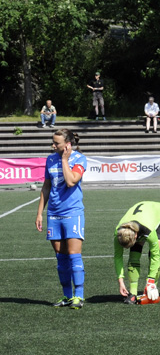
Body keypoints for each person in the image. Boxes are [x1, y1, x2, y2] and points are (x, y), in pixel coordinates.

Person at [35, 129, 87, 309]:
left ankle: (78, 296)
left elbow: (72, 181)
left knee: (74, 256)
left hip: (73, 212)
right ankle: (66, 296)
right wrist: (40, 212)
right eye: (53, 142)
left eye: (56, 143)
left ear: (67, 144)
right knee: (61, 258)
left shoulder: (79, 159)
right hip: (54, 214)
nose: (53, 145)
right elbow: (46, 187)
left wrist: (64, 160)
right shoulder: (50, 159)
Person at [114, 202, 160, 304]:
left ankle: (152, 288)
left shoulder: (148, 231)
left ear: (135, 236)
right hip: (141, 220)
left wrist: (151, 280)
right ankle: (132, 293)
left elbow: (155, 256)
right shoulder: (118, 233)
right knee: (134, 254)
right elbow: (118, 257)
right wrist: (120, 281)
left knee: (153, 252)